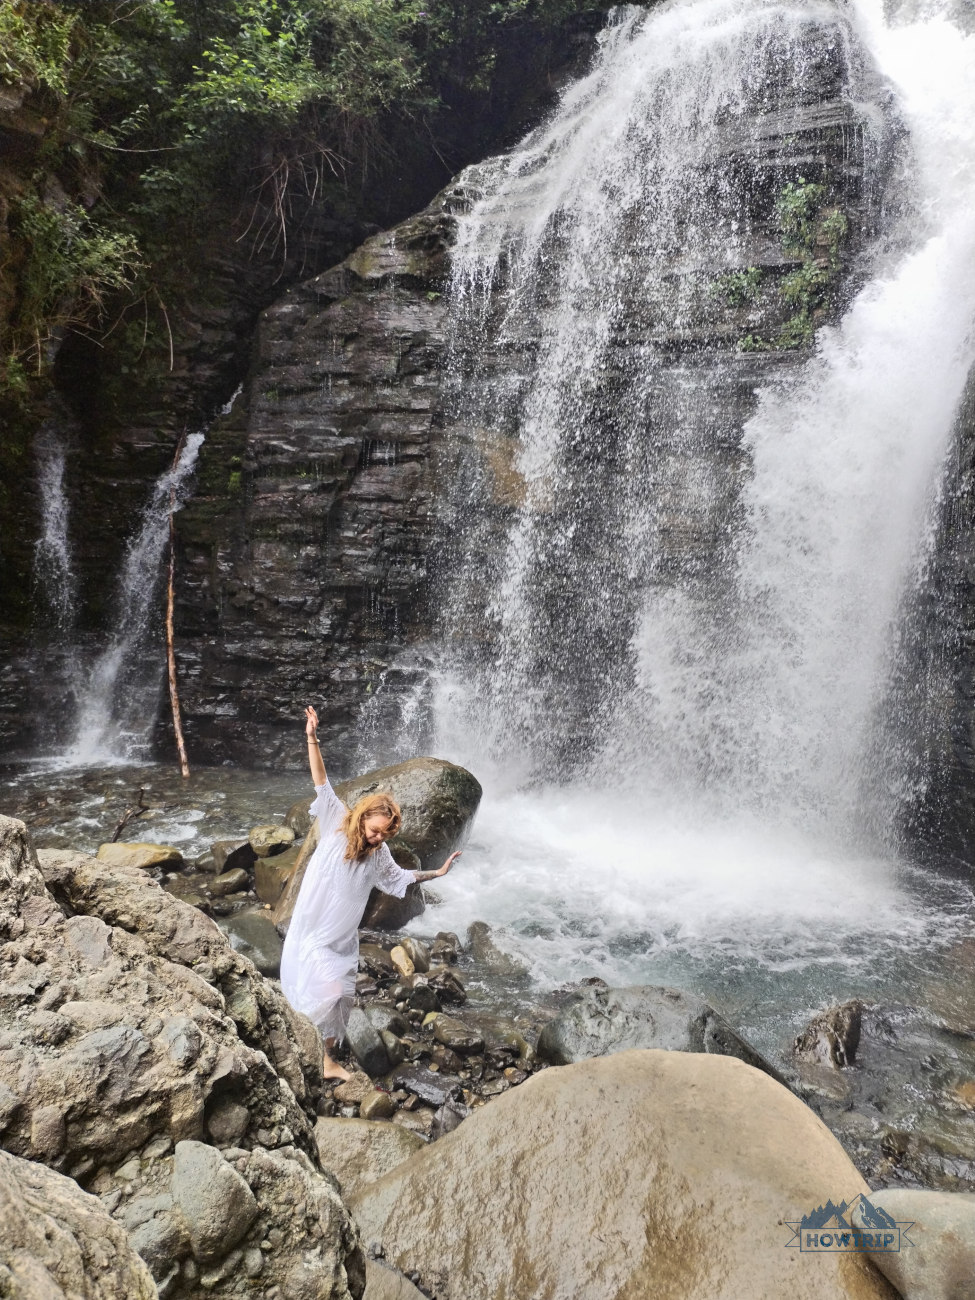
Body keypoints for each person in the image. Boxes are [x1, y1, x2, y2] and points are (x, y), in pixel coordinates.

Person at [280, 705, 461, 1081]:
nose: (377, 838)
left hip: (340, 936)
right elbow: (321, 780)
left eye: (384, 834)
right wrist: (311, 736)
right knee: (323, 990)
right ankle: (303, 1047)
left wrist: (438, 872)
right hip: (313, 928)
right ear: (363, 816)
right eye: (375, 829)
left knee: (341, 997)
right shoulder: (335, 819)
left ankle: (326, 1060)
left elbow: (402, 878)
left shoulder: (379, 855)